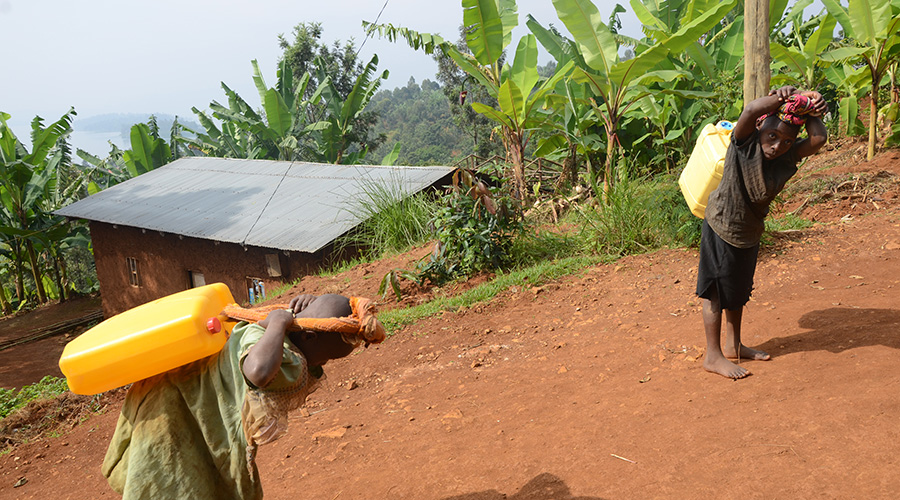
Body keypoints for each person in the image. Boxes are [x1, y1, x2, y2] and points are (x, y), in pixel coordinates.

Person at [102, 293, 374, 499]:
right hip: (173, 412)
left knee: (200, 482)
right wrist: (286, 318)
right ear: (310, 336)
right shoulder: (274, 341)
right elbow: (260, 366)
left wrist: (284, 318)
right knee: (176, 482)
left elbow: (268, 366)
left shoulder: (284, 351)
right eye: (325, 358)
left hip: (190, 411)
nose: (320, 365)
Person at [698, 86, 827, 379]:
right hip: (721, 224)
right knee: (716, 292)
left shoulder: (787, 157)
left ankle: (734, 345)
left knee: (739, 288)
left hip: (749, 231)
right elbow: (750, 110)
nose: (777, 145)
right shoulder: (744, 143)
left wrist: (810, 106)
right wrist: (786, 98)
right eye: (772, 136)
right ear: (760, 130)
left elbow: (818, 138)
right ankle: (713, 355)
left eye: (786, 141)